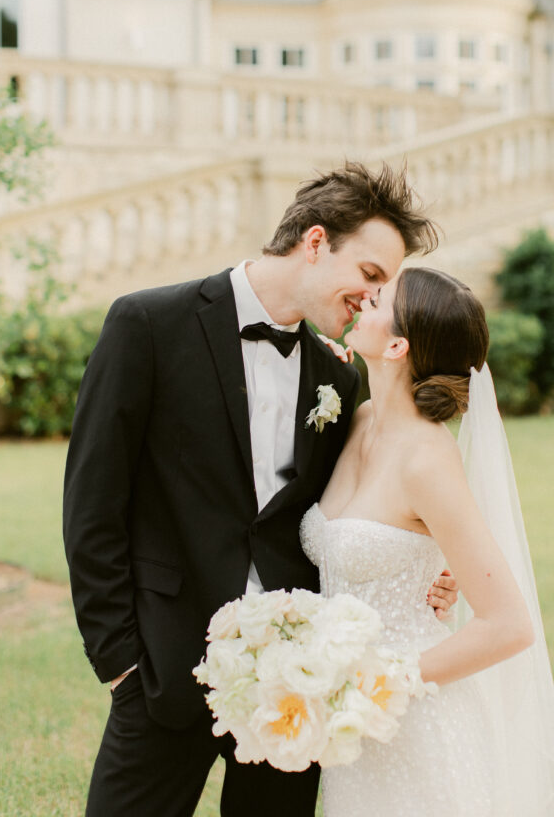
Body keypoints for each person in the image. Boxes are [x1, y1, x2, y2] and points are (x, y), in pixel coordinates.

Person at [63, 162, 458, 817]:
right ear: (313, 241)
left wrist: (426, 567)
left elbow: (347, 513)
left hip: (297, 686)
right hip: (163, 666)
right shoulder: (146, 324)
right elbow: (92, 503)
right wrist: (121, 664)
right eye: (368, 275)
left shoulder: (340, 377)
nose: (373, 298)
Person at [300, 266, 554, 816]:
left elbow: (509, 624)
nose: (361, 299)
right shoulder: (360, 420)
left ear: (398, 344)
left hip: (416, 724)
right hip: (350, 728)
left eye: (376, 300)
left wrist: (379, 683)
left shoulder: (428, 459)